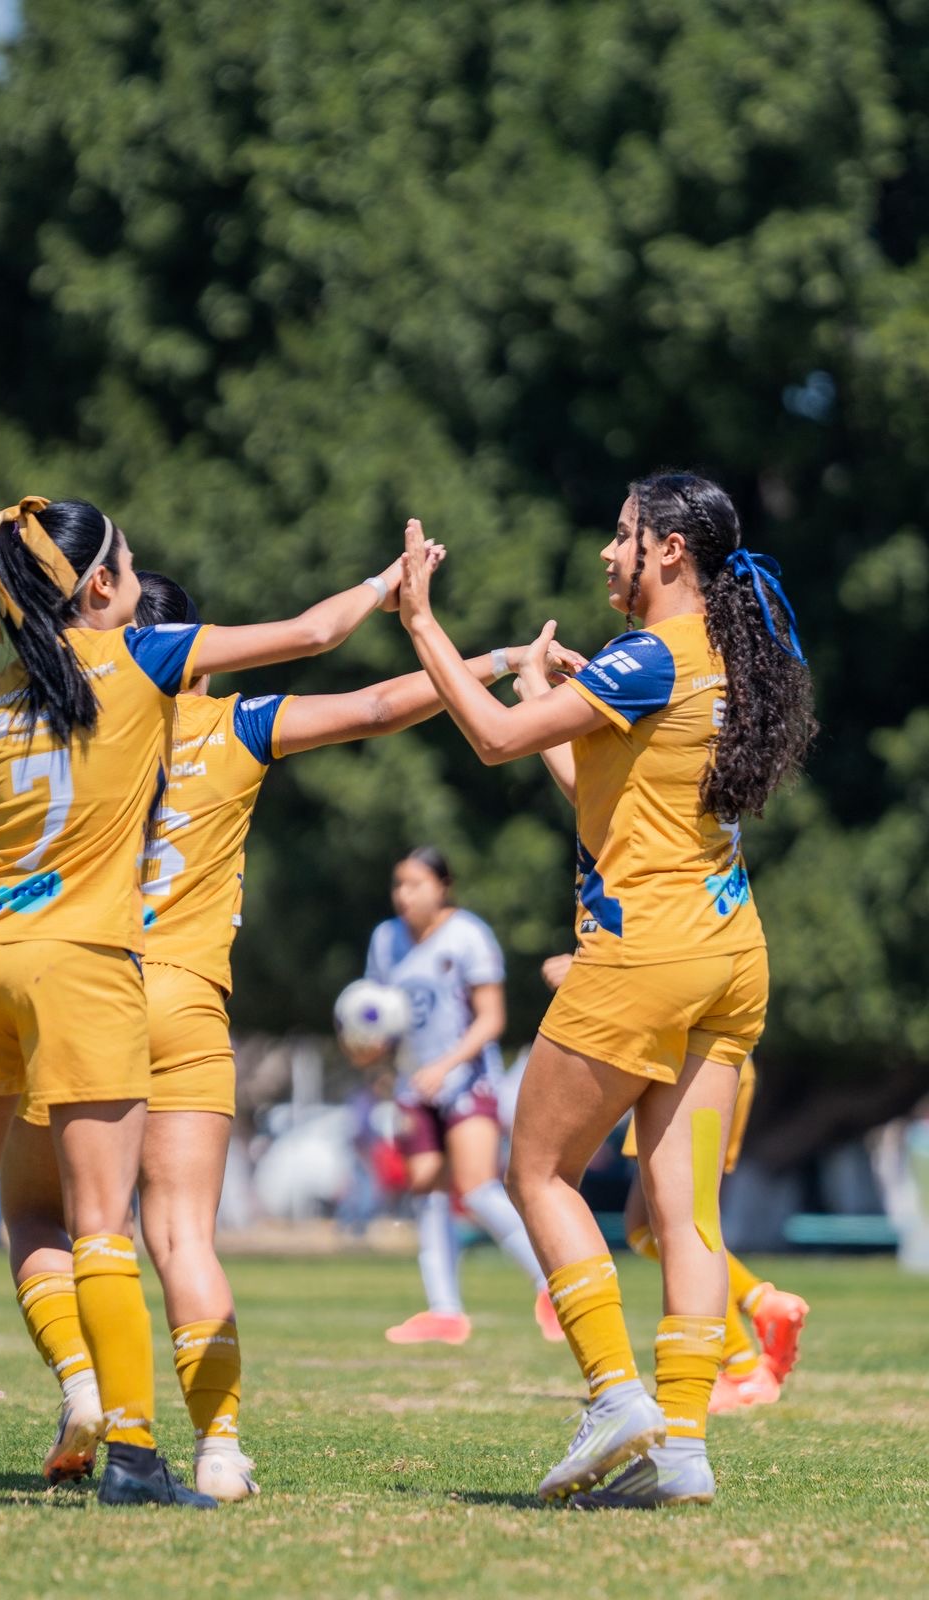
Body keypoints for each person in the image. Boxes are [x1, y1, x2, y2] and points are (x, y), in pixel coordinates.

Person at [0, 557, 536, 1500]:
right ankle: (216, 1447)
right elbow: (380, 704)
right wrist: (498, 660)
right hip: (182, 1001)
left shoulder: (76, 715)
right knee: (180, 1236)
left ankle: (83, 1384)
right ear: (192, 656)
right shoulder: (234, 725)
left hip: (80, 988)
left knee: (37, 1217)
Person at [396, 471, 815, 1508]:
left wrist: (421, 622)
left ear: (670, 549)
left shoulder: (647, 655)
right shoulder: (725, 654)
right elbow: (614, 797)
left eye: (623, 536)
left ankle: (612, 1394)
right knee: (687, 1217)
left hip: (643, 958)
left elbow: (491, 743)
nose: (606, 554)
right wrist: (549, 695)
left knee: (531, 1170)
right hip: (730, 956)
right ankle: (679, 1450)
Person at [543, 954, 810, 1413]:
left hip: (692, 1070)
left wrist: (594, 981)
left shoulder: (662, 892)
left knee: (681, 1226)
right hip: (701, 1064)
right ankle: (759, 1303)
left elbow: (670, 971)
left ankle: (743, 1369)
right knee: (648, 1230)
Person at [348, 848, 567, 1349]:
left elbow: (492, 1018)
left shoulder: (468, 935)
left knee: (476, 1186)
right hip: (412, 1086)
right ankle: (445, 1312)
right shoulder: (386, 941)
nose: (405, 895)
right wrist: (367, 1047)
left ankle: (551, 1285)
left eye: (416, 884)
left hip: (466, 1080)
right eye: (398, 885)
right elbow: (383, 1017)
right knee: (426, 1186)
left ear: (443, 886)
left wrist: (445, 1066)